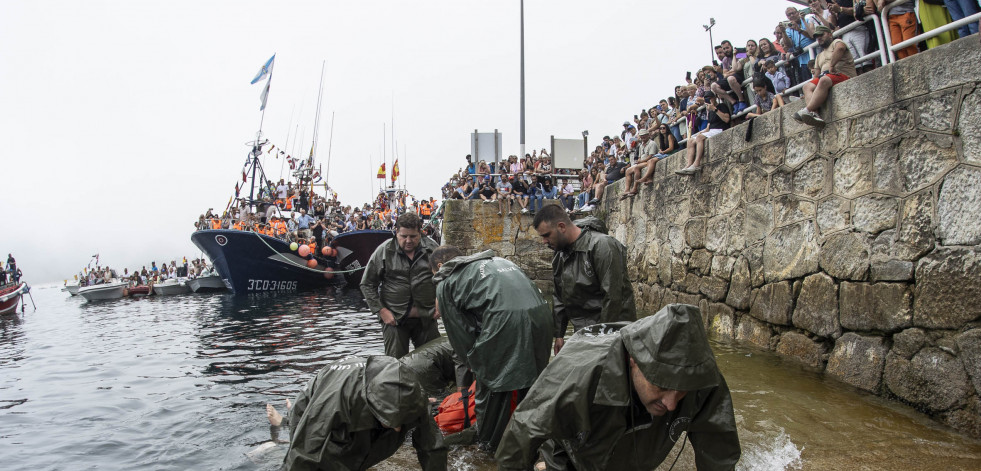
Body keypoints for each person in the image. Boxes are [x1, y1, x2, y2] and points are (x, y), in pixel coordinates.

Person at [495, 304, 741, 470]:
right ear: (634, 359)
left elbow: (719, 450)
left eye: (682, 392)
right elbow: (522, 433)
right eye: (662, 385)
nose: (671, 403)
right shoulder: (576, 374)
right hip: (571, 446)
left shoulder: (700, 375)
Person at [430, 246, 553, 452]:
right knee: (532, 381)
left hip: (506, 321)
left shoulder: (446, 281)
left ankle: (490, 447)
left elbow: (460, 336)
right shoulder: (500, 261)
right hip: (542, 318)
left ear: (441, 267)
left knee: (494, 388)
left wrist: (474, 365)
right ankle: (535, 437)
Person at [281, 355, 447, 471]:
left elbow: (432, 446)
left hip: (361, 409)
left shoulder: (415, 397)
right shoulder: (336, 399)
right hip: (319, 403)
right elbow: (303, 452)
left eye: (401, 423)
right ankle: (284, 418)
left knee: (363, 453)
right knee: (322, 460)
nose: (398, 430)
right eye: (392, 423)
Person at [532, 205, 636, 354]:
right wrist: (559, 335)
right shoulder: (560, 255)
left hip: (614, 331)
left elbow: (613, 297)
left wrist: (600, 340)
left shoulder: (602, 245)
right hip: (583, 332)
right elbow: (560, 296)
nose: (544, 241)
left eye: (546, 235)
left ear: (561, 227)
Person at [361, 212, 441, 359]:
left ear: (421, 232)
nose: (408, 241)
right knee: (395, 363)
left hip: (427, 317)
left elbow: (445, 278)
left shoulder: (432, 249)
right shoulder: (384, 251)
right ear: (396, 232)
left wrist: (440, 303)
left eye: (413, 236)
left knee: (434, 361)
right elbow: (367, 284)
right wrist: (381, 311)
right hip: (394, 319)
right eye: (404, 236)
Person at [794, 25, 858, 127]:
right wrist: (807, 93)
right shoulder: (819, 56)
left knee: (824, 80)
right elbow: (816, 76)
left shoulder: (837, 42)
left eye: (821, 35)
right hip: (827, 78)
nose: (819, 38)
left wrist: (832, 65)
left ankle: (807, 110)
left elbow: (840, 48)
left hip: (842, 74)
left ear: (829, 34)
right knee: (806, 86)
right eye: (817, 37)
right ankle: (814, 113)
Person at [677, 90, 731, 175]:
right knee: (690, 140)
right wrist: (700, 132)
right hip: (711, 130)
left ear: (714, 98)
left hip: (720, 128)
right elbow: (708, 127)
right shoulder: (710, 112)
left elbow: (727, 119)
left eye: (710, 98)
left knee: (699, 138)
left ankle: (697, 163)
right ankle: (689, 164)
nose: (709, 101)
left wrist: (715, 109)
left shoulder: (721, 106)